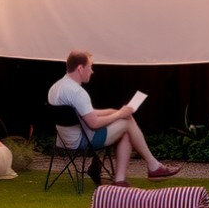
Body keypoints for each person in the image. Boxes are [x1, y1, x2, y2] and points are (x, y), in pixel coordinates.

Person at [48, 50, 181, 186]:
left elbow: (86, 113)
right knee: (127, 122)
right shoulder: (78, 93)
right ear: (80, 68)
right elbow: (93, 123)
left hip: (63, 141)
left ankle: (122, 179)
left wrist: (113, 112)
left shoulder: (56, 87)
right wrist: (120, 115)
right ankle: (152, 167)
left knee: (125, 129)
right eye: (90, 66)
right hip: (82, 141)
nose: (92, 71)